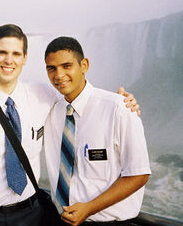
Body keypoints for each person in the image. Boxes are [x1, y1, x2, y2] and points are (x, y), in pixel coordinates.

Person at [0, 24, 140, 226]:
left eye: (16, 53)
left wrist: (121, 102)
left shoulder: (41, 95)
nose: (9, 60)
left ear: (24, 59)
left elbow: (77, 91)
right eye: (2, 52)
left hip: (31, 215)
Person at [44, 36, 151, 226]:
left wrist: (89, 208)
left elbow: (138, 174)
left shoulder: (118, 108)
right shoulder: (50, 110)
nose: (58, 75)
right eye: (51, 68)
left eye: (66, 66)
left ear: (84, 65)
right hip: (60, 219)